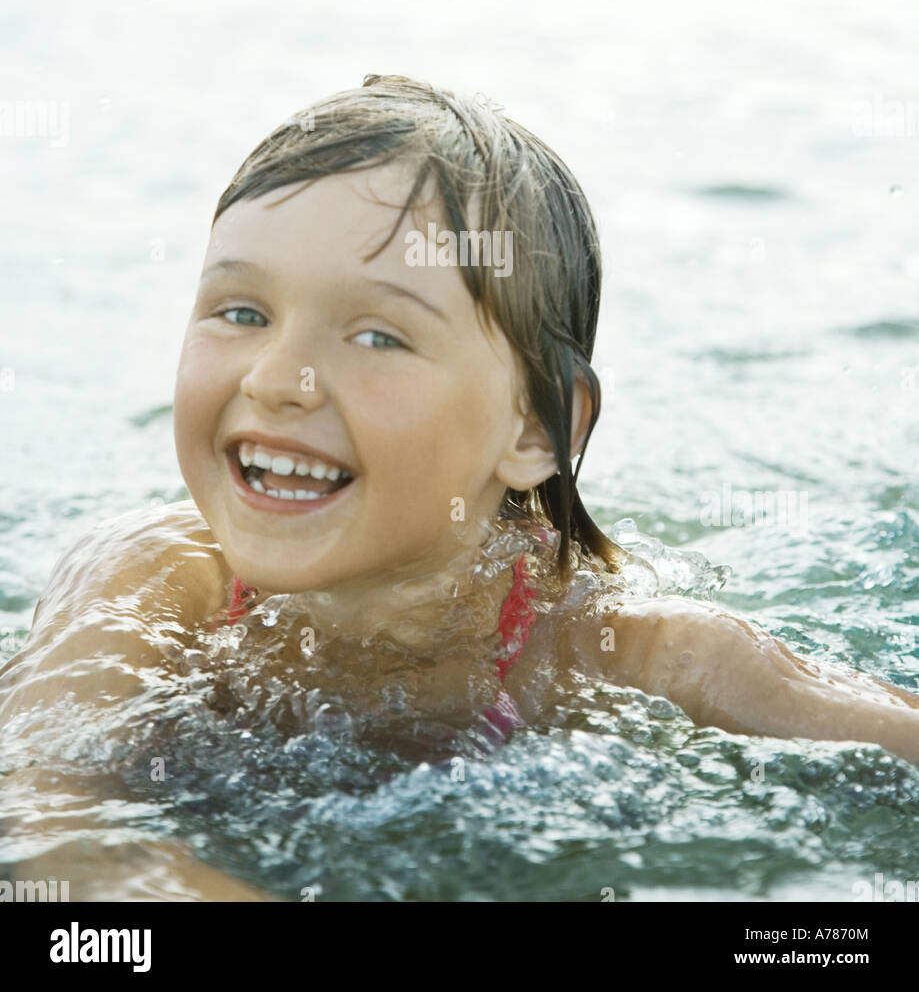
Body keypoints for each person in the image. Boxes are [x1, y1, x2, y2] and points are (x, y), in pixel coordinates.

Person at [3, 74, 919, 900]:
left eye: (378, 337)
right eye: (241, 312)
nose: (280, 378)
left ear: (534, 429)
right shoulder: (147, 588)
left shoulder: (631, 656)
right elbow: (56, 837)